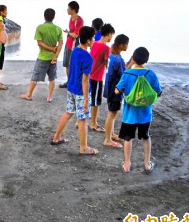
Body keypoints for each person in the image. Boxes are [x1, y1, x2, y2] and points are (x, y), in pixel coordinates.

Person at [51, 26, 98, 155]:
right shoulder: (88, 57)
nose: (93, 40)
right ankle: (84, 148)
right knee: (83, 119)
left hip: (71, 87)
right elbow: (85, 80)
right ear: (88, 41)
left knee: (68, 112)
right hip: (80, 91)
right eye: (93, 38)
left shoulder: (75, 51)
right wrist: (86, 99)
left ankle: (56, 137)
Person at [115, 47, 162, 173]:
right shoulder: (150, 74)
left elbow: (117, 90)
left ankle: (127, 165)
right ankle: (147, 164)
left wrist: (127, 91)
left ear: (133, 58)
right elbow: (158, 92)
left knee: (128, 138)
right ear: (146, 60)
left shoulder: (127, 74)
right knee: (146, 137)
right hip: (145, 114)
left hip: (129, 115)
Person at [20, 8, 63, 102]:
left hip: (42, 57)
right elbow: (60, 44)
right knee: (52, 78)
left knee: (35, 77)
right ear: (53, 17)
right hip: (53, 58)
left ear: (44, 16)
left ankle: (29, 94)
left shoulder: (40, 27)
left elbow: (39, 43)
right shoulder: (58, 29)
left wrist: (50, 49)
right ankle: (49, 97)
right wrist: (56, 56)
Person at [102, 34, 133, 148]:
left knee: (112, 113)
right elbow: (123, 75)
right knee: (112, 114)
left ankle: (112, 134)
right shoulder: (118, 59)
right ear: (121, 45)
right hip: (115, 90)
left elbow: (120, 70)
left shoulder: (112, 56)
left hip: (109, 88)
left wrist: (130, 61)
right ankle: (107, 139)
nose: (127, 46)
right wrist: (131, 63)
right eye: (126, 44)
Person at [88, 23, 115, 133]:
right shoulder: (106, 48)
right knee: (96, 102)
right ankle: (93, 123)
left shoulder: (94, 44)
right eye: (112, 35)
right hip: (97, 77)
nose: (111, 38)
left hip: (89, 75)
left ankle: (80, 120)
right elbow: (107, 64)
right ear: (108, 34)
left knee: (88, 98)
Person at [59, 1, 84, 88]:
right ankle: (69, 81)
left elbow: (76, 35)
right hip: (68, 43)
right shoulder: (71, 18)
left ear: (73, 10)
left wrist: (68, 33)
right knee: (67, 64)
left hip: (74, 45)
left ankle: (74, 82)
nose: (67, 10)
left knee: (73, 64)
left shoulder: (79, 20)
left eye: (68, 8)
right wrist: (69, 33)